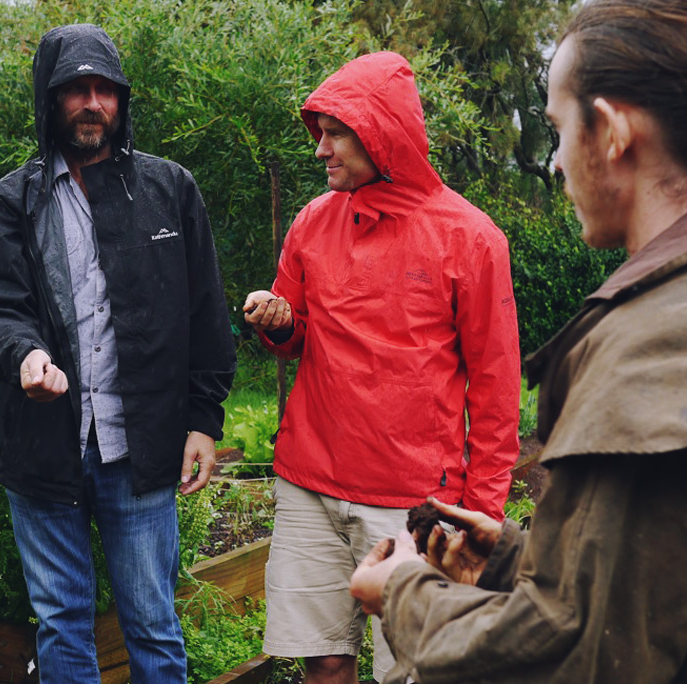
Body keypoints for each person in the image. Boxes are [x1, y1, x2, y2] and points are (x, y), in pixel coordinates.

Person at [349, 1, 687, 682]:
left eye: (561, 129)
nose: (558, 163)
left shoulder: (663, 345)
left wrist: (403, 595)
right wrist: (513, 560)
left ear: (615, 130)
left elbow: (574, 659)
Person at [0, 24, 236, 684]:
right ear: (50, 101)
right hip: (42, 450)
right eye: (75, 90)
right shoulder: (12, 201)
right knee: (61, 622)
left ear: (122, 100)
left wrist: (203, 422)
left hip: (139, 451)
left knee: (152, 621)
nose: (92, 103)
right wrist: (23, 354)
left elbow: (205, 314)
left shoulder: (170, 190)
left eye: (104, 90)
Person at [244, 52, 520, 683]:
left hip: (415, 502)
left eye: (336, 132)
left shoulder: (473, 239)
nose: (321, 150)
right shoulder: (313, 222)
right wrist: (281, 324)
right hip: (309, 484)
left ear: (383, 133)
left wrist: (480, 513)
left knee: (416, 671)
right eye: (320, 132)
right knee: (324, 662)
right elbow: (296, 337)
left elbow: (498, 389)